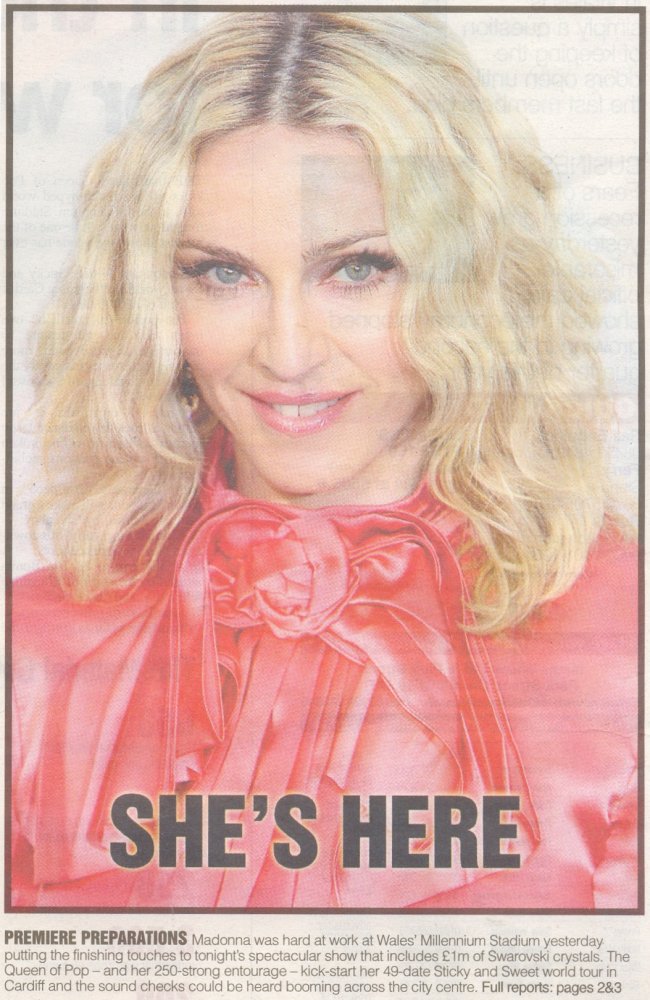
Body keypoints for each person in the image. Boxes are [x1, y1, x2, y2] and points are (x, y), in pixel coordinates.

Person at [11, 10, 637, 909]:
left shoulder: (623, 645)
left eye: (358, 269)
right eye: (222, 273)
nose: (288, 352)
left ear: (473, 285)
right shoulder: (34, 649)